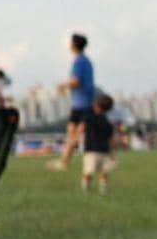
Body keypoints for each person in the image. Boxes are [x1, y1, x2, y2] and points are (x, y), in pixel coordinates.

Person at [49, 34, 94, 171]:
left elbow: (76, 81)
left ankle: (64, 161)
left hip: (82, 104)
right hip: (82, 102)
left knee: (75, 134)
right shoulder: (86, 60)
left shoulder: (79, 62)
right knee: (73, 133)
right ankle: (64, 161)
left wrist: (62, 85)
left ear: (74, 45)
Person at [81, 93, 116, 195]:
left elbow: (82, 127)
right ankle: (102, 189)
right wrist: (112, 153)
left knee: (89, 171)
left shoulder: (88, 116)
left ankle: (86, 189)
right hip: (104, 151)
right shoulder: (107, 122)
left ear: (96, 104)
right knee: (104, 172)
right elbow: (111, 139)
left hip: (91, 151)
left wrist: (74, 139)